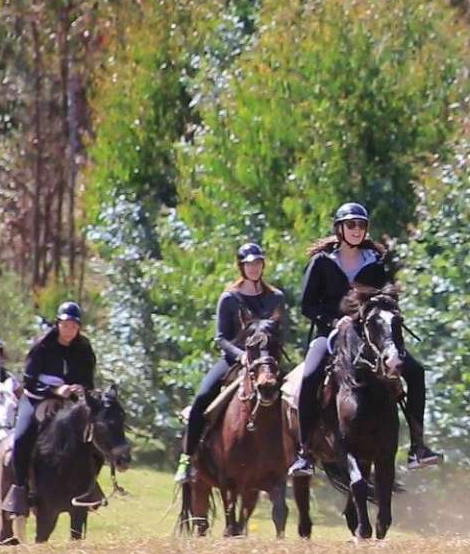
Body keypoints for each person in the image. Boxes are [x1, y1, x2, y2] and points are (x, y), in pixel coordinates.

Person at [288, 202, 443, 476]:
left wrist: (384, 312)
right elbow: (307, 305)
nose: (357, 230)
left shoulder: (375, 261)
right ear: (340, 229)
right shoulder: (321, 263)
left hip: (371, 336)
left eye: (361, 225)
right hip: (332, 334)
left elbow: (388, 296)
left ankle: (418, 446)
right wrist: (337, 321)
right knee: (310, 375)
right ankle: (304, 452)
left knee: (416, 372)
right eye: (351, 225)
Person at [174, 243, 287, 484]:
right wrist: (241, 356)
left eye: (258, 263)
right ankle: (186, 461)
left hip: (267, 361)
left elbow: (279, 333)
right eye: (249, 264)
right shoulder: (229, 298)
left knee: (295, 398)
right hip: (234, 360)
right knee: (202, 399)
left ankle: (299, 455)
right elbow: (221, 338)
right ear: (241, 266)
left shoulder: (275, 297)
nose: (254, 268)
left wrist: (267, 358)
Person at [2, 302, 96, 517]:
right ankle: (19, 490)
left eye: (74, 325)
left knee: (94, 436)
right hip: (36, 398)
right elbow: (29, 380)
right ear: (58, 324)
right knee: (22, 437)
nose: (69, 330)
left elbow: (89, 379)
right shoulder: (42, 345)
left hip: (71, 402)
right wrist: (55, 389)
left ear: (79, 327)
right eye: (65, 325)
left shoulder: (84, 348)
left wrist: (81, 387)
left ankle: (90, 488)